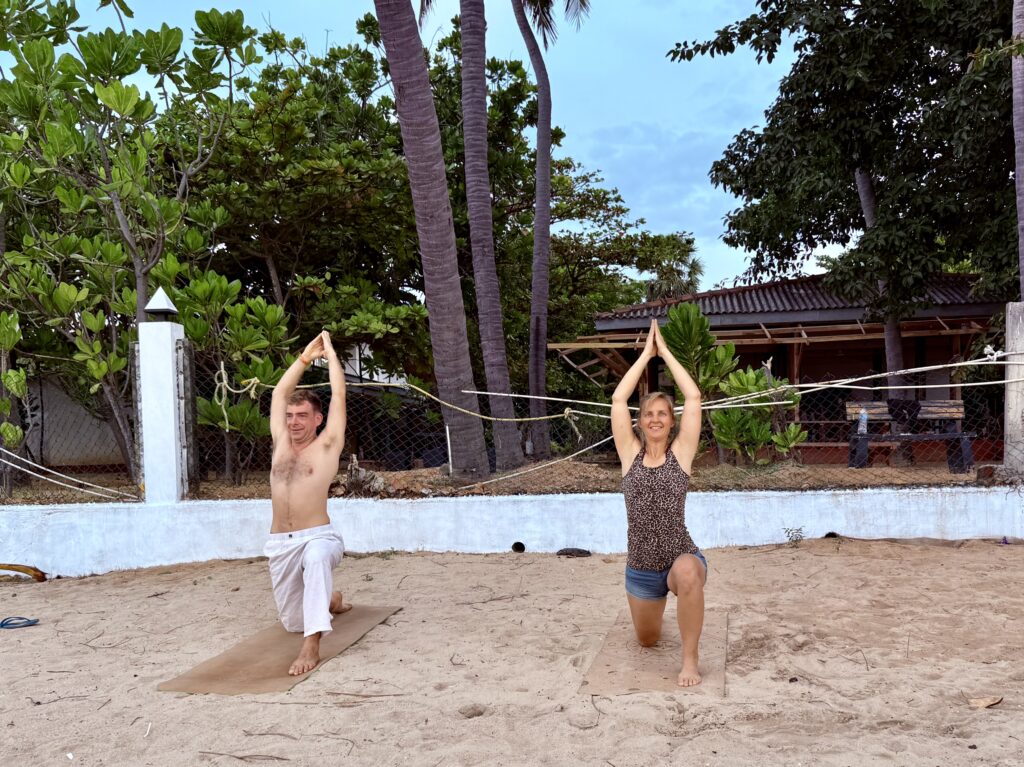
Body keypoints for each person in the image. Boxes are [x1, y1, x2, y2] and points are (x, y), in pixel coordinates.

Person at [611, 318, 706, 687]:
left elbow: (694, 397)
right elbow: (619, 399)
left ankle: (690, 659)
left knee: (686, 572)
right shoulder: (628, 455)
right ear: (640, 422)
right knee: (647, 640)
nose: (655, 418)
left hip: (679, 554)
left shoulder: (680, 455)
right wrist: (645, 355)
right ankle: (668, 606)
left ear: (671, 422)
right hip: (642, 568)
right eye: (648, 414)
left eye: (662, 413)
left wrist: (665, 352)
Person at [266, 331, 352, 676]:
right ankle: (331, 600)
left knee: (316, 560)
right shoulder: (281, 444)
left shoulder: (328, 445)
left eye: (302, 415)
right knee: (292, 621)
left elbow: (339, 395)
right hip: (280, 544)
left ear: (317, 419)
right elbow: (278, 393)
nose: (294, 422)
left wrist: (330, 357)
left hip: (319, 537)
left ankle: (312, 644)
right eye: (290, 416)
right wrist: (304, 359)